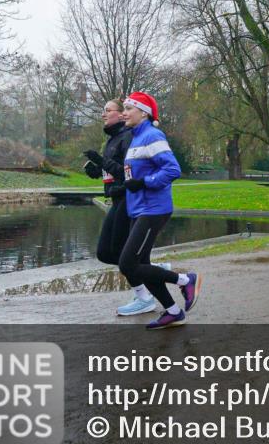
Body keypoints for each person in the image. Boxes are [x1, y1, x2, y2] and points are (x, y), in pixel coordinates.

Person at [117, 91, 200, 329]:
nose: (124, 113)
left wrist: (144, 183)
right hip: (139, 209)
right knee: (142, 265)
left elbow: (172, 170)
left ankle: (185, 280)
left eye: (128, 108)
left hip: (153, 209)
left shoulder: (152, 135)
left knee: (128, 264)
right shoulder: (136, 138)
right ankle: (173, 311)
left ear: (143, 113)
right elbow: (136, 174)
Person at [83, 99, 169, 316]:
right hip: (117, 198)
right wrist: (98, 172)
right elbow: (114, 172)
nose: (103, 114)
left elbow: (128, 173)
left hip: (128, 200)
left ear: (121, 115)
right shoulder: (113, 140)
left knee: (125, 257)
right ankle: (152, 270)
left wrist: (102, 162)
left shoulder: (129, 137)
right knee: (106, 253)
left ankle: (145, 295)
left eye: (108, 110)